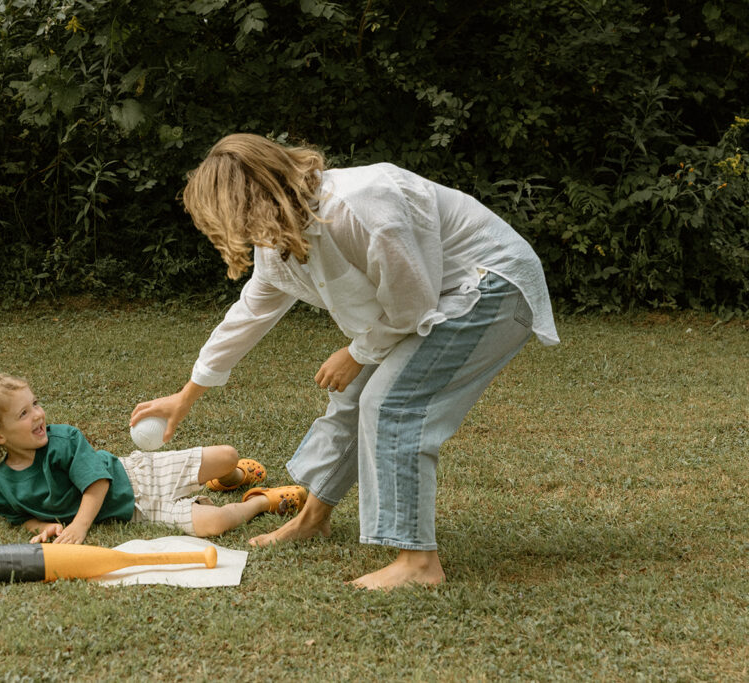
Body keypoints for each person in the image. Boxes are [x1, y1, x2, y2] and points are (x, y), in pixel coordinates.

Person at [130, 133, 559, 589]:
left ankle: (418, 563)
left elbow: (412, 305)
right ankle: (312, 519)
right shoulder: (278, 239)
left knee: (392, 404)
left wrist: (355, 353)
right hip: (436, 297)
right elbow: (249, 314)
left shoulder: (362, 206)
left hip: (490, 286)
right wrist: (186, 395)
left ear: (253, 197)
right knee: (354, 397)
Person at [0, 373, 306, 543]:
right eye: (23, 413)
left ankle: (230, 479)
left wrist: (79, 526)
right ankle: (261, 501)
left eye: (35, 403)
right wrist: (44, 527)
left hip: (138, 475)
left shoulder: (64, 440)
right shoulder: (2, 487)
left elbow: (98, 483)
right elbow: (19, 517)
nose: (38, 414)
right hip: (139, 510)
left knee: (228, 456)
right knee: (214, 524)